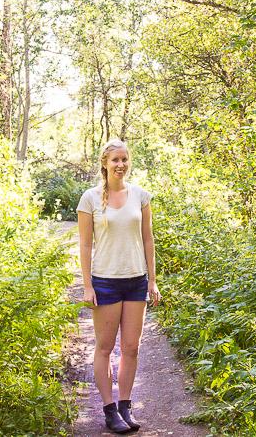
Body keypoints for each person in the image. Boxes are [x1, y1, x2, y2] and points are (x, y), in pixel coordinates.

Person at [76, 138, 163, 434]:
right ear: (104, 163)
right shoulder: (90, 198)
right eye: (115, 160)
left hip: (136, 280)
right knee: (104, 347)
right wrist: (87, 285)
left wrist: (153, 281)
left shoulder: (141, 195)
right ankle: (109, 409)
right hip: (105, 282)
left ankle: (126, 406)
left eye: (124, 159)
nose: (120, 165)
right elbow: (85, 244)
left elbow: (148, 239)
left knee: (131, 348)